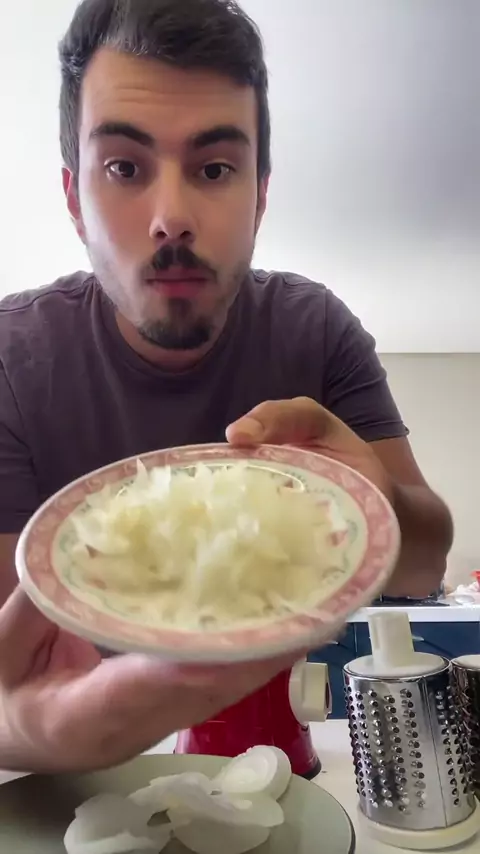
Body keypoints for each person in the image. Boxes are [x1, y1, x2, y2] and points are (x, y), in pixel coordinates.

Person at [0, 0, 453, 773]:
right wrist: (28, 735)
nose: (171, 218)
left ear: (260, 196)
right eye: (124, 168)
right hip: (75, 790)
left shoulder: (317, 329)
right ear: (75, 199)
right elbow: (9, 670)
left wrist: (379, 500)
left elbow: (424, 565)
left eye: (213, 169)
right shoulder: (12, 359)